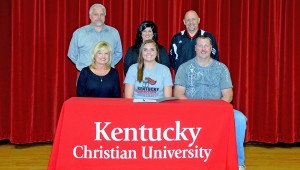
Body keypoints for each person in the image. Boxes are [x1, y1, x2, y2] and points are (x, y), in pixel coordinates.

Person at [174, 36, 247, 170]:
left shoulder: (221, 68)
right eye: (200, 46)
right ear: (195, 48)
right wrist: (195, 108)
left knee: (240, 119)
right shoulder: (184, 68)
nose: (203, 49)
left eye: (206, 46)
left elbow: (228, 94)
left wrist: (216, 110)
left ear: (211, 49)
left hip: (217, 111)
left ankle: (238, 162)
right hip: (190, 110)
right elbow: (178, 93)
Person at [68, 4, 122, 71]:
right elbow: (72, 54)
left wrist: (108, 66)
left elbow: (118, 53)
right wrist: (83, 67)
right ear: (90, 16)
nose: (99, 17)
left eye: (102, 14)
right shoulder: (79, 33)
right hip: (86, 77)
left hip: (108, 75)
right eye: (95, 14)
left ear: (105, 16)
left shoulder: (114, 33)